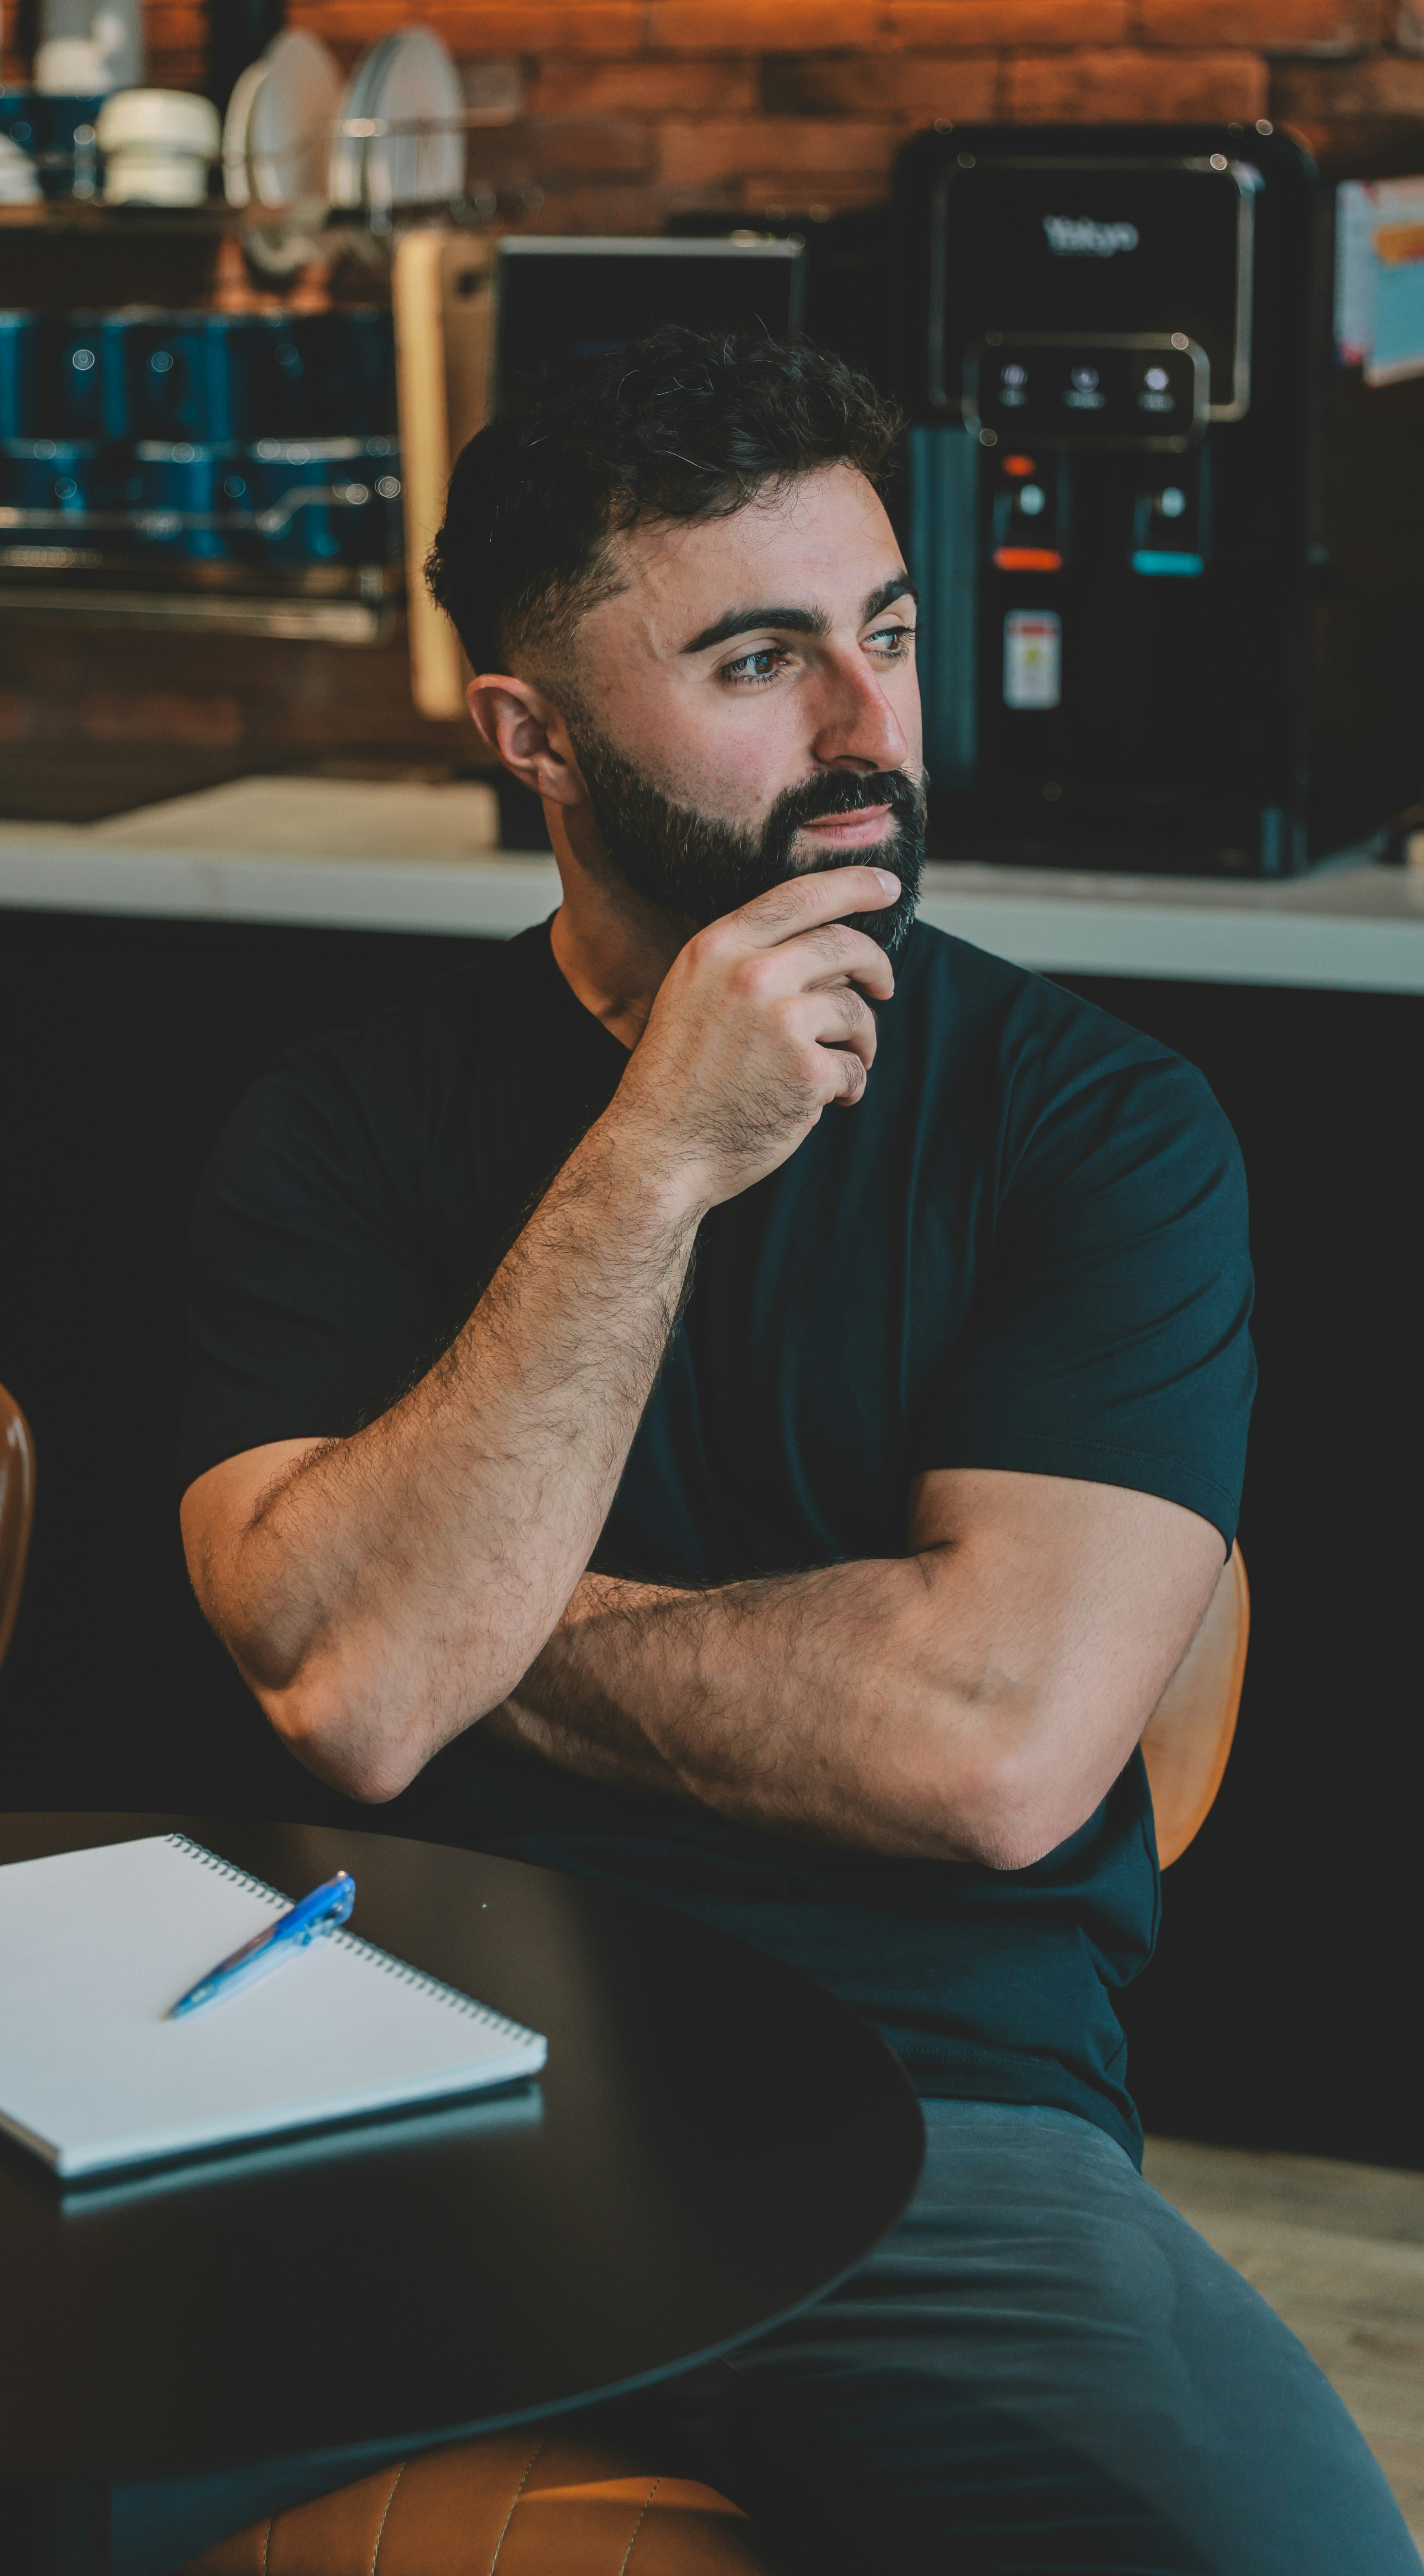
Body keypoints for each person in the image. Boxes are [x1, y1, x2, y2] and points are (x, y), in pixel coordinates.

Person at [178, 326, 1420, 2576]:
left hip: (932, 2113)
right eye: (761, 659)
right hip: (385, 2070)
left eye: (892, 635)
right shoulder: (339, 1133)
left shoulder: (1098, 1133)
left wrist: (472, 1620)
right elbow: (354, 1700)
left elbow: (1001, 1750)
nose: (869, 734)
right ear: (530, 736)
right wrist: (653, 1157)